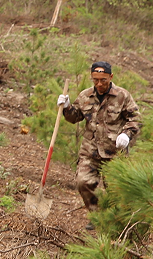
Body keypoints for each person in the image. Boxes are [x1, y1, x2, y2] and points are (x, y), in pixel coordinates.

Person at [58, 61, 141, 211]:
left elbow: (135, 118)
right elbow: (74, 117)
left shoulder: (122, 96)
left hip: (115, 153)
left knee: (116, 191)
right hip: (90, 151)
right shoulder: (85, 95)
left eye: (103, 80)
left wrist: (126, 134)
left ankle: (114, 221)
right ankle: (97, 215)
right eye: (95, 80)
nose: (99, 83)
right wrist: (66, 107)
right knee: (83, 182)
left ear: (111, 77)